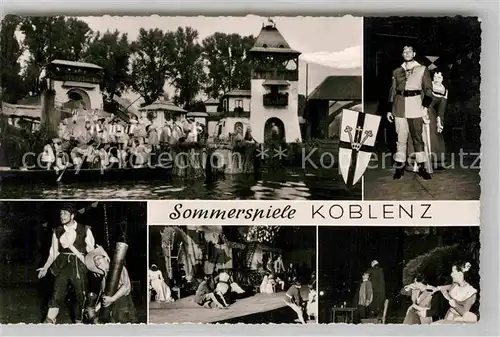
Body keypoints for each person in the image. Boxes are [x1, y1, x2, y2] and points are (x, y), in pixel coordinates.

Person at [37, 203, 96, 324]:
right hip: (62, 266)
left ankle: (79, 323)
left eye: (65, 213)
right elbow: (53, 253)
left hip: (79, 266)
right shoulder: (57, 231)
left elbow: (91, 251)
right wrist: (45, 268)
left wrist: (94, 266)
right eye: (60, 213)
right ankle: (49, 320)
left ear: (72, 215)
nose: (62, 216)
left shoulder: (85, 229)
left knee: (81, 295)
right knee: (57, 293)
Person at [387, 45, 433, 180]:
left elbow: (428, 90)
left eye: (409, 51)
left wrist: (425, 107)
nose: (407, 53)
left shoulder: (422, 69)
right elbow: (392, 91)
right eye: (404, 51)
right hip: (399, 107)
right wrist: (389, 110)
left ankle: (422, 168)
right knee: (400, 139)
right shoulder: (396, 71)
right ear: (402, 54)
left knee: (417, 139)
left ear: (414, 53)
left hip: (416, 106)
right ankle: (399, 168)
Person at [85, 245, 137, 323]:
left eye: (98, 258)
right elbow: (105, 296)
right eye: (95, 261)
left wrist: (112, 299)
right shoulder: (103, 278)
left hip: (123, 304)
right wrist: (95, 309)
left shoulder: (119, 267)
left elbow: (125, 286)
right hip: (112, 308)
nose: (96, 262)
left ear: (106, 258)